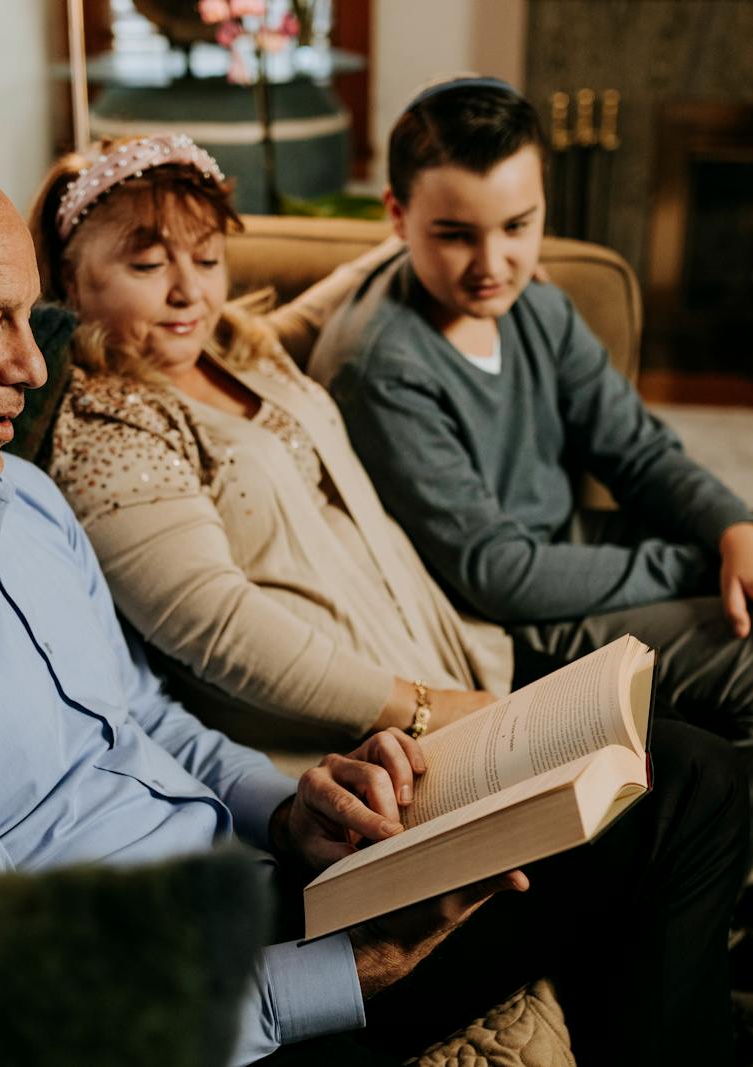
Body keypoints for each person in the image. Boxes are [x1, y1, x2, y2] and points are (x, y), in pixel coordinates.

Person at [0, 137, 753, 1065]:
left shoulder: (18, 495)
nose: (34, 366)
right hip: (217, 1007)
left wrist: (293, 813)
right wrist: (342, 972)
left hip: (270, 885)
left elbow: (143, 714)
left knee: (671, 765)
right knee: (679, 795)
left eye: (29, 319)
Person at [308, 77, 753, 1016]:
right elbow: (495, 571)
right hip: (500, 623)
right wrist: (712, 562)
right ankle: (709, 895)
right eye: (455, 234)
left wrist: (746, 534)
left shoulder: (534, 304)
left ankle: (727, 858)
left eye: (518, 226)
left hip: (573, 555)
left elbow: (638, 447)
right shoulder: (384, 364)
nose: (493, 262)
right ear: (397, 214)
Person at [30, 134, 506, 752]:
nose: (188, 292)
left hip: (447, 662)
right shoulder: (102, 424)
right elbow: (217, 626)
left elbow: (306, 314)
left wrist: (413, 245)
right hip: (360, 739)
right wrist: (422, 710)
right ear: (70, 279)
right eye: (147, 266)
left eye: (207, 260)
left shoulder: (233, 345)